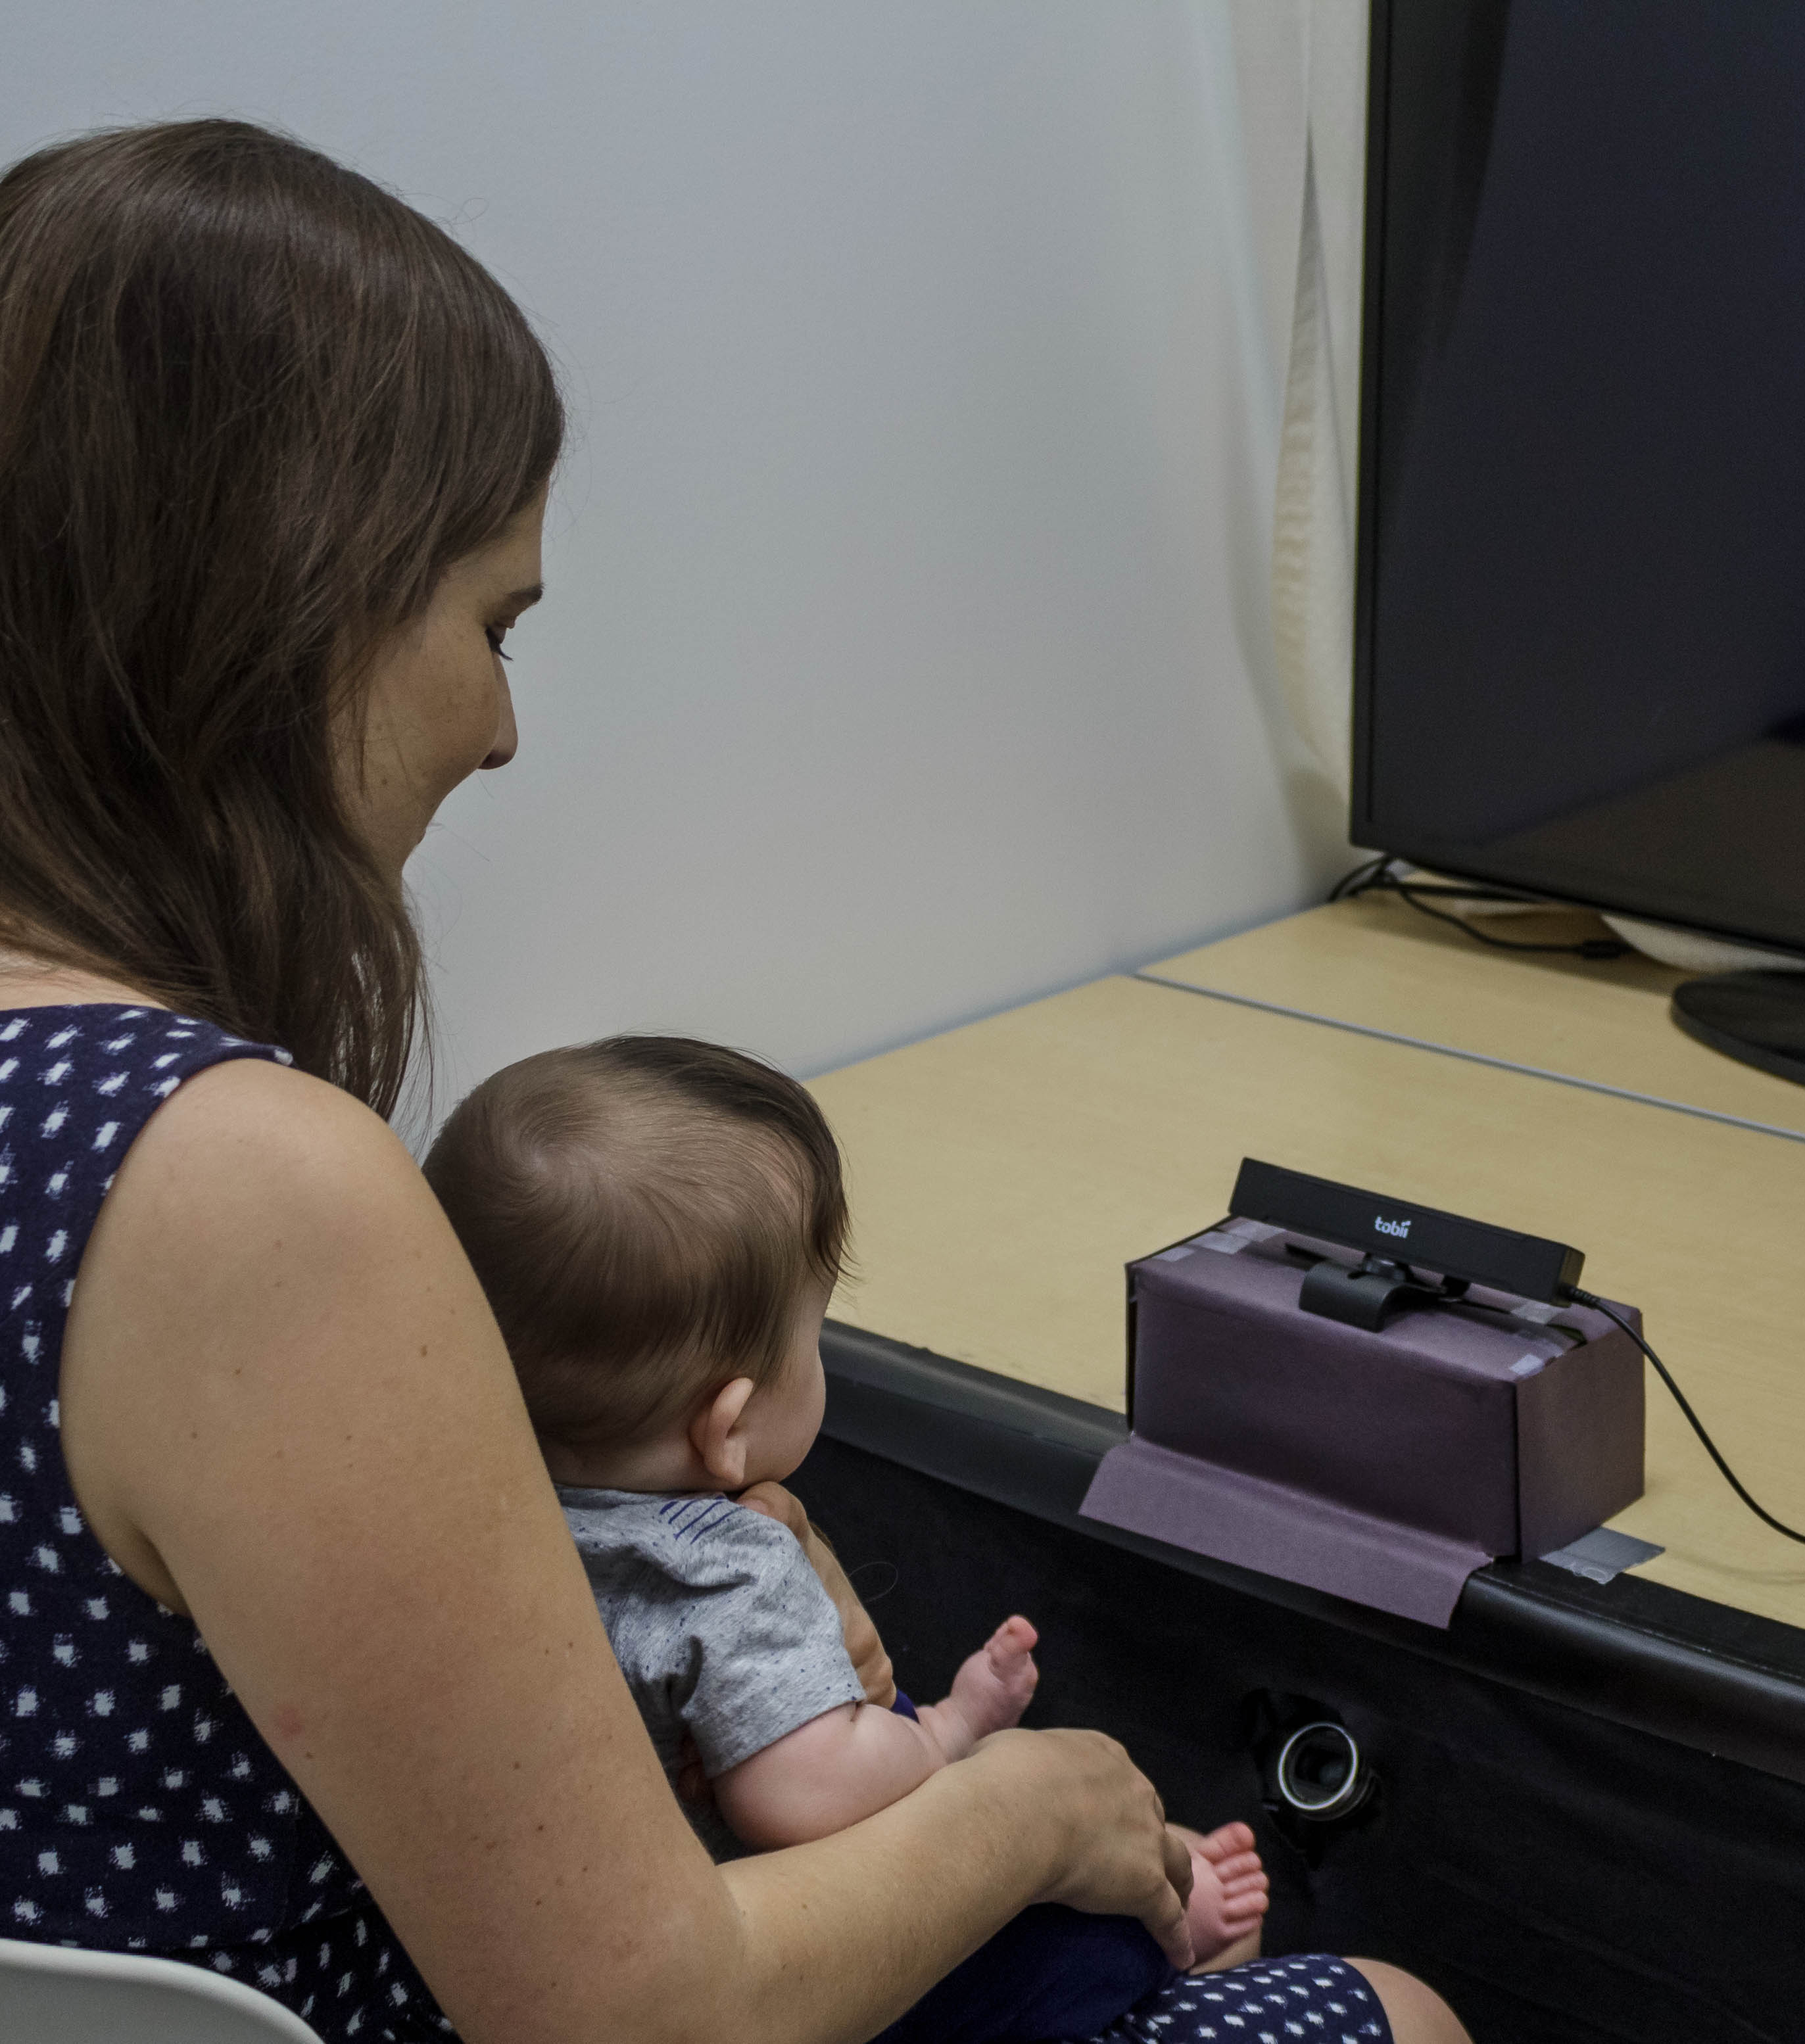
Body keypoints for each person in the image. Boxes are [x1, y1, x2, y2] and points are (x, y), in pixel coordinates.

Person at [0, 117, 1468, 2044]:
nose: (503, 727)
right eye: (490, 623)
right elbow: (643, 2016)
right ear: (286, 597)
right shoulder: (237, 1183)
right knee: (1386, 2006)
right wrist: (1033, 1809)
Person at [423, 1035, 1284, 2041]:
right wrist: (950, 1734)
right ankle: (1186, 1953)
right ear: (729, 1424)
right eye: (815, 1330)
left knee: (1158, 1841)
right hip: (822, 1968)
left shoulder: (477, 1506)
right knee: (1136, 1925)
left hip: (613, 1920)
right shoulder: (721, 1562)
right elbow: (806, 1796)